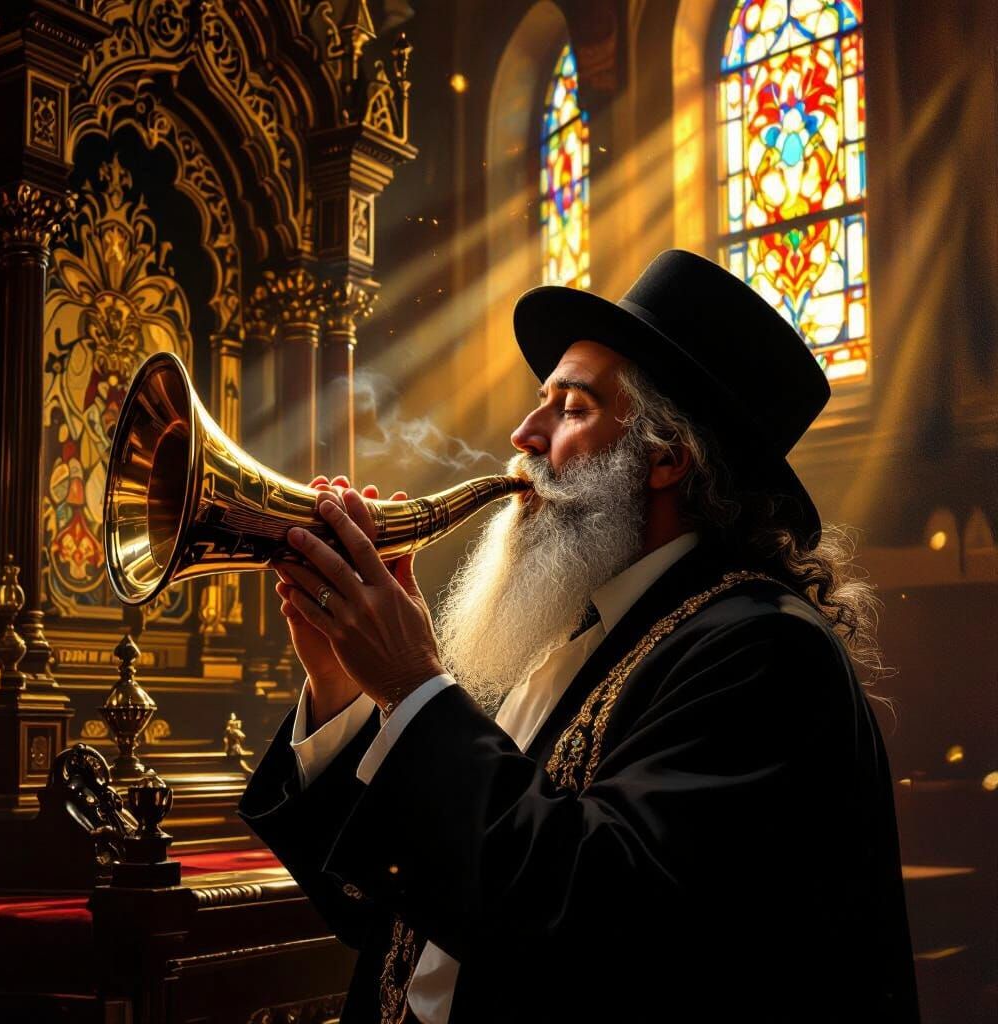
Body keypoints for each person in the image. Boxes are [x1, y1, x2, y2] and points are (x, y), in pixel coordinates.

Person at [238, 249, 919, 1023]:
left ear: (666, 457)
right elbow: (394, 906)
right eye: (540, 402)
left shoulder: (765, 653)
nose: (524, 434)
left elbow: (592, 923)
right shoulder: (579, 631)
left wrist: (413, 687)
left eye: (570, 408)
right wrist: (345, 687)